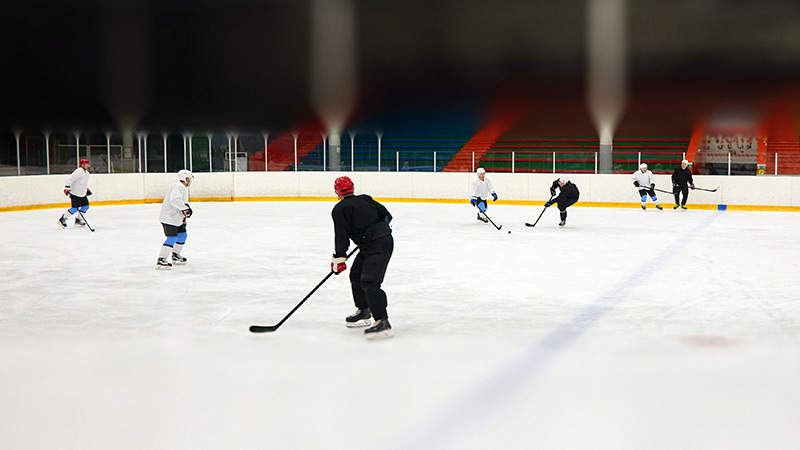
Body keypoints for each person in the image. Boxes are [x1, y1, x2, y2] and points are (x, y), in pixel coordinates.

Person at [331, 176, 394, 339]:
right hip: (380, 241)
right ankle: (364, 310)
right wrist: (372, 232)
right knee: (356, 275)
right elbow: (387, 216)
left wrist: (339, 257)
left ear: (336, 191)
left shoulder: (340, 209)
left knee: (370, 282)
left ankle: (382, 320)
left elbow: (341, 235)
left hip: (378, 245)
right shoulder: (365, 199)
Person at [156, 170, 194, 270]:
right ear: (186, 178)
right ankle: (161, 259)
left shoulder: (181, 188)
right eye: (189, 179)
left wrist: (184, 212)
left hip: (176, 218)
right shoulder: (178, 186)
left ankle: (176, 255)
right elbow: (175, 200)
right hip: (169, 218)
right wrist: (185, 209)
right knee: (172, 238)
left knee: (182, 235)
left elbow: (179, 202)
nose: (190, 181)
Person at [58, 159, 93, 228]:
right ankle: (62, 219)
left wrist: (86, 189)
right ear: (82, 165)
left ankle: (78, 219)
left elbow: (82, 183)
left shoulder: (86, 173)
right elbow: (69, 179)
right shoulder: (78, 171)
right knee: (75, 208)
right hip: (75, 193)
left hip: (82, 193)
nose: (88, 165)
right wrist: (67, 188)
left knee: (86, 206)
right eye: (86, 164)